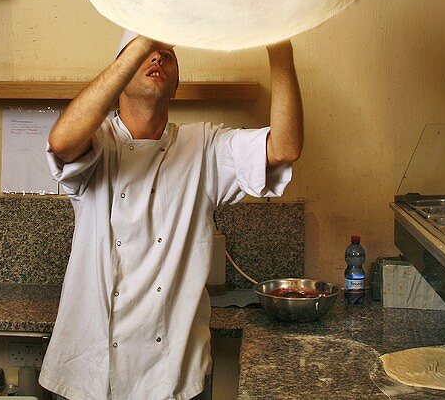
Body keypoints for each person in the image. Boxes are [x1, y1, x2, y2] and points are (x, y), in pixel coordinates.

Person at [38, 32, 303, 400]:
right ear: (119, 75)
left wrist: (279, 45)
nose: (157, 59)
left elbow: (285, 147)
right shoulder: (97, 143)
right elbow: (61, 141)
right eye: (144, 54)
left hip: (171, 375)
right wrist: (145, 37)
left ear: (175, 87)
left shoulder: (204, 147)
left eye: (167, 55)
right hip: (90, 372)